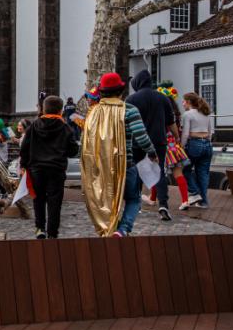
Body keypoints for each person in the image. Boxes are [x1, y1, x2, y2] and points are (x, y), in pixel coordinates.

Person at [80, 72, 158, 238]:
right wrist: (151, 152)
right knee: (133, 199)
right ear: (120, 91)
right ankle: (122, 229)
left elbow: (86, 140)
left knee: (106, 201)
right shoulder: (129, 110)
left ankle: (109, 229)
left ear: (101, 92)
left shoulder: (93, 112)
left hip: (101, 169)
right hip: (126, 164)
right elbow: (141, 136)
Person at [20, 95, 78, 239]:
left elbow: (25, 147)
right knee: (55, 201)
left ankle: (40, 228)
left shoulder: (34, 126)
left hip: (36, 170)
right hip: (56, 169)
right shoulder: (65, 127)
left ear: (44, 109)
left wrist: (23, 165)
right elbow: (73, 150)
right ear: (60, 110)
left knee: (38, 199)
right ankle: (52, 232)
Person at [126, 69, 177, 222]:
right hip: (159, 141)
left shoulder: (131, 99)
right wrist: (177, 137)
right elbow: (171, 122)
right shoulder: (163, 98)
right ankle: (163, 204)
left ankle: (136, 204)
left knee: (137, 171)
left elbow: (124, 122)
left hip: (137, 142)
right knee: (159, 172)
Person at [152, 86, 195, 211]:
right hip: (174, 146)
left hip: (163, 145)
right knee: (178, 173)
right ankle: (185, 200)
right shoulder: (176, 113)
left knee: (156, 172)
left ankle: (153, 198)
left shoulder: (161, 113)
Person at [181, 92, 216, 208]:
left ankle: (195, 192)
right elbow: (211, 132)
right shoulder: (206, 114)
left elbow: (185, 134)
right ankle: (204, 202)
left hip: (194, 144)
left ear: (189, 102)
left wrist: (181, 146)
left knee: (185, 169)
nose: (182, 103)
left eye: (184, 101)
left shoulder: (187, 115)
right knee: (203, 173)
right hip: (207, 145)